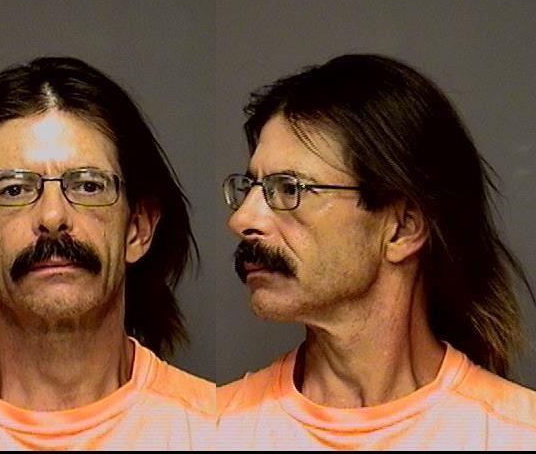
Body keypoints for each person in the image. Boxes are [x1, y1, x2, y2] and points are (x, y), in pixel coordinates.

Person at [216, 53, 536, 450]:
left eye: (290, 188)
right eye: (250, 187)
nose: (243, 219)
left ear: (402, 228)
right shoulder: (215, 431)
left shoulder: (517, 435)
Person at [0, 56, 214, 450]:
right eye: (14, 189)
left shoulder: (216, 432)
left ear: (138, 229)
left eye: (88, 186)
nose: (52, 216)